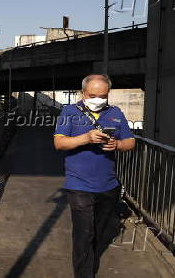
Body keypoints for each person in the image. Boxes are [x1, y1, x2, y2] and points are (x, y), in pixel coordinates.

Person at [53, 74, 135, 278]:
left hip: (108, 185)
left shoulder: (115, 112)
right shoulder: (69, 112)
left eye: (103, 95)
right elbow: (59, 143)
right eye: (92, 95)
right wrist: (86, 138)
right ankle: (84, 273)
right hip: (79, 184)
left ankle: (90, 259)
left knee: (100, 231)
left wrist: (117, 145)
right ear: (83, 93)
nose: (98, 99)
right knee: (83, 234)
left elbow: (130, 142)